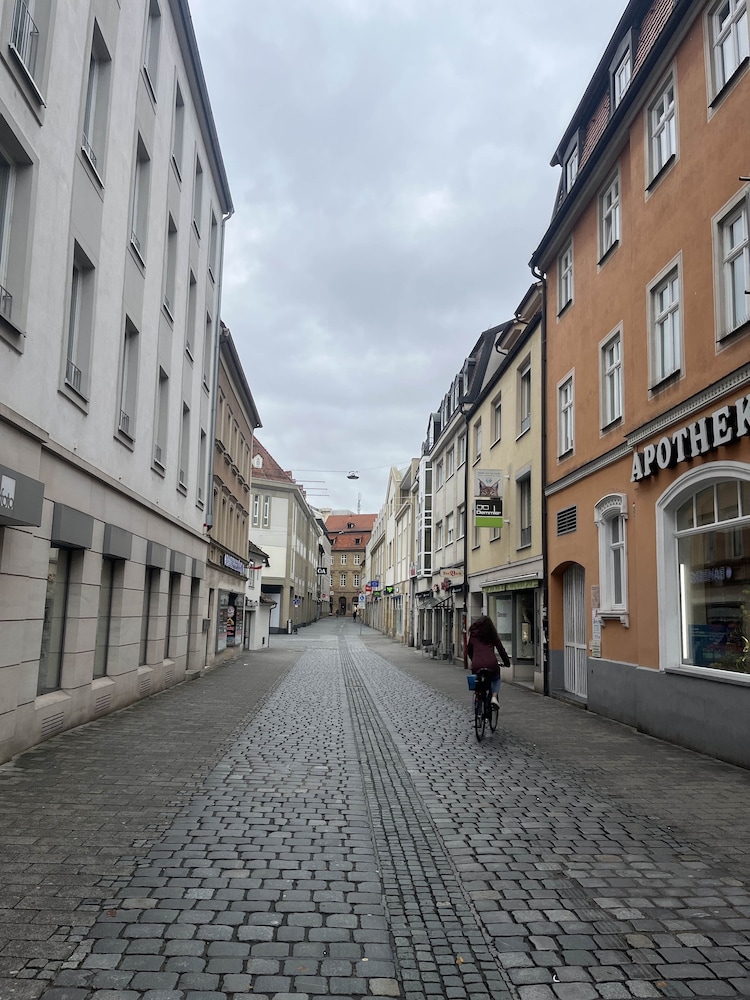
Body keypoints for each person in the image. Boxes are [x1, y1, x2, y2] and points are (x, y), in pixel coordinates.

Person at [467, 615, 510, 708]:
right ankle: (494, 697)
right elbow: (501, 650)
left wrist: (473, 659)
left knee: (478, 680)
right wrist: (507, 663)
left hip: (476, 665)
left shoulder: (473, 635)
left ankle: (478, 697)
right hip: (491, 664)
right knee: (496, 679)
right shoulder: (492, 636)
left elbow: (469, 650)